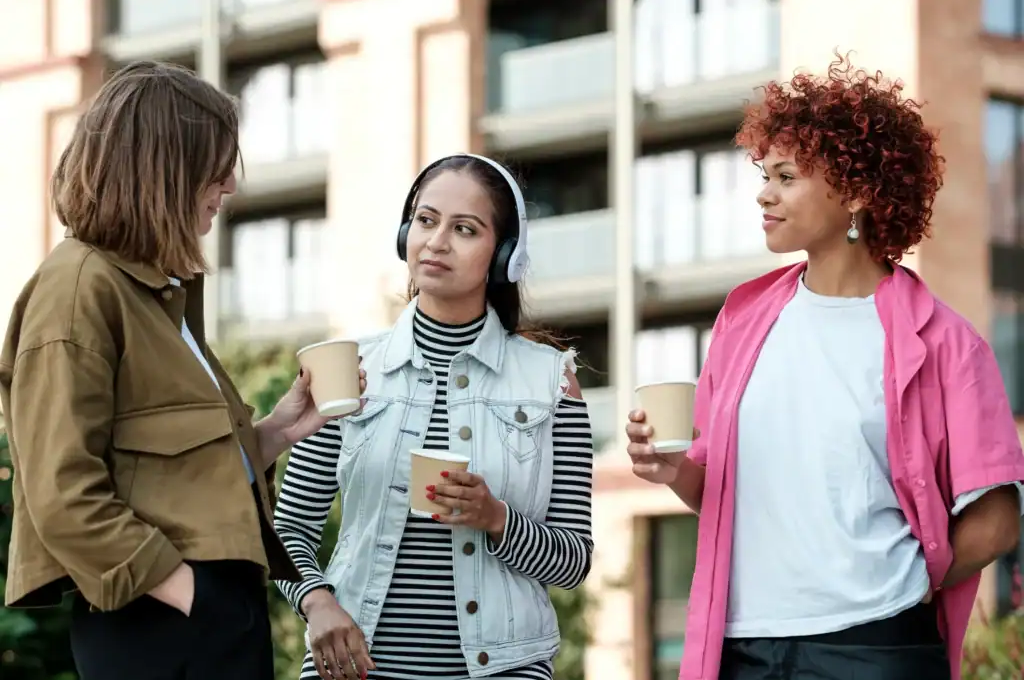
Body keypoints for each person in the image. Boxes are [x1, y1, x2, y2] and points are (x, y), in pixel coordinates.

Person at [625, 54, 1024, 680]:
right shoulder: (742, 319)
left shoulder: (946, 341)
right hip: (742, 645)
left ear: (859, 191)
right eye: (765, 173)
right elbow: (718, 490)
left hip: (875, 646)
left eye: (786, 176)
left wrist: (906, 586)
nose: (764, 192)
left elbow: (997, 522)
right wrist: (673, 468)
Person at [0, 61, 365, 680]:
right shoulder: (79, 287)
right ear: (165, 167)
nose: (229, 186)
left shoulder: (156, 295)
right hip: (160, 621)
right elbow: (60, 492)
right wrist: (189, 593)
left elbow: (172, 471)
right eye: (217, 165)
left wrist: (278, 430)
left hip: (204, 613)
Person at [273, 153, 595, 680]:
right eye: (425, 221)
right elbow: (290, 530)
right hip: (354, 668)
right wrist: (317, 603)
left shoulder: (553, 382)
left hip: (503, 669)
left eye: (464, 229)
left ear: (503, 255)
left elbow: (573, 561)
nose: (437, 241)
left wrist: (496, 518)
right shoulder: (345, 367)